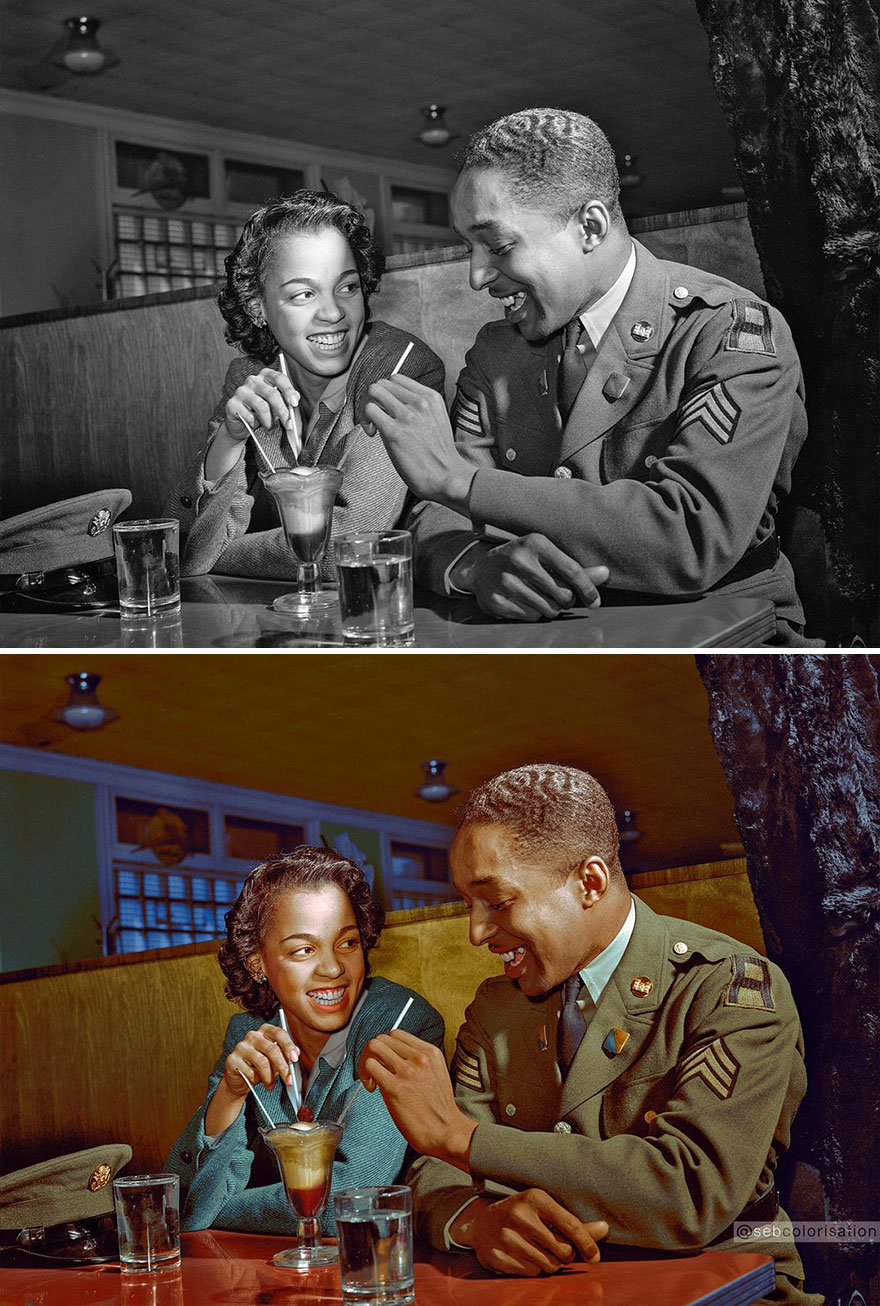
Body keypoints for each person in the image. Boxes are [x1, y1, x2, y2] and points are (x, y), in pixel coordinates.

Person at [358, 765, 820, 1305]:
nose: (476, 931)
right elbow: (431, 1172)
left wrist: (466, 1139)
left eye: (498, 902)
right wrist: (474, 1220)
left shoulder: (726, 987)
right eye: (469, 904)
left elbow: (691, 1193)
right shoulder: (496, 1006)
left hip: (724, 1285)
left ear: (590, 883)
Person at [363, 109, 810, 645]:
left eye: (499, 246)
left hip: (724, 637)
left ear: (590, 228)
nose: (477, 275)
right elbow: (434, 515)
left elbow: (691, 538)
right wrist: (474, 565)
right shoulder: (498, 349)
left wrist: (465, 482)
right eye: (469, 247)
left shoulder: (727, 332)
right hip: (547, 642)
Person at [165, 190, 445, 579]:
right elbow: (186, 548)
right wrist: (228, 441)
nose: (333, 313)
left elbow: (349, 545)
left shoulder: (398, 367)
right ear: (257, 307)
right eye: (304, 294)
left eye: (347, 287)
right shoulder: (249, 380)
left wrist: (222, 555)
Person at [165, 846, 444, 1235]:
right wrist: (228, 1096)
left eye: (347, 943)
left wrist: (220, 1209)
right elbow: (179, 1201)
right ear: (257, 963)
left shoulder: (399, 1022)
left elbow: (346, 1202)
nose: (333, 968)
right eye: (304, 950)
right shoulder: (248, 1036)